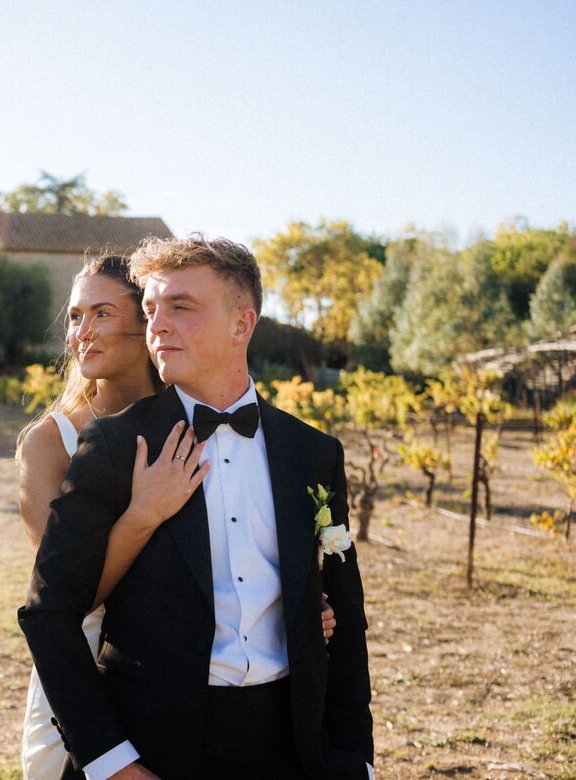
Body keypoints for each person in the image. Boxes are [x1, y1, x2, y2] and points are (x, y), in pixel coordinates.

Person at [20, 236, 373, 779]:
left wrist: (355, 762)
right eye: (151, 309)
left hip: (291, 751)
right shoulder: (114, 448)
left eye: (180, 307)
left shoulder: (313, 453)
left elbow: (344, 620)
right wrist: (113, 764)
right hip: (152, 748)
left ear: (242, 324)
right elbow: (50, 614)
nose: (157, 324)